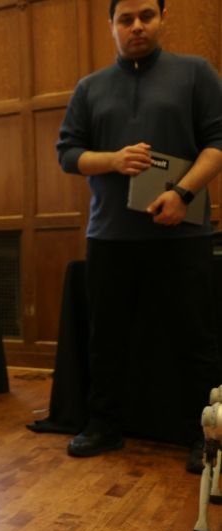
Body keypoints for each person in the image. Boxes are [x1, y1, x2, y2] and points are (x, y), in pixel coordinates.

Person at [56, 0, 222, 472]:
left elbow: (219, 141)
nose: (136, 26)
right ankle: (104, 425)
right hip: (110, 236)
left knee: (195, 338)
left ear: (162, 19)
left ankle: (203, 435)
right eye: (125, 19)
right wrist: (111, 160)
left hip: (183, 232)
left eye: (146, 16)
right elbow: (68, 154)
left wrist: (183, 194)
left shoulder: (196, 73)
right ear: (112, 26)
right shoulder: (90, 87)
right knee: (106, 338)